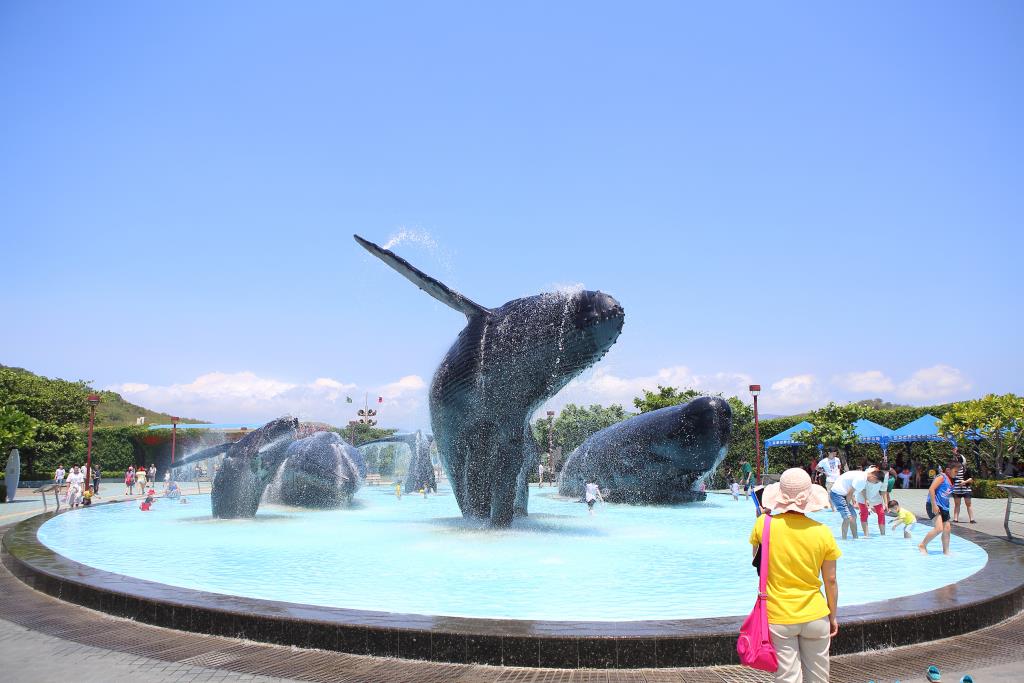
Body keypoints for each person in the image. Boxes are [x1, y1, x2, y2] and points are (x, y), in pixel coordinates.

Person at [749, 468, 840, 683]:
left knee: (787, 677)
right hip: (816, 613)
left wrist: (761, 519)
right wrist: (833, 615)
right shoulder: (822, 531)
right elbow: (831, 580)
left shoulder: (764, 524)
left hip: (778, 614)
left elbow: (757, 563)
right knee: (818, 677)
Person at [829, 466, 886, 540]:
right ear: (873, 477)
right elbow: (850, 493)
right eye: (876, 482)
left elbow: (851, 492)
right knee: (847, 518)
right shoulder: (861, 480)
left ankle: (855, 539)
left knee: (854, 517)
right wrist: (847, 506)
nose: (875, 484)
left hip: (843, 494)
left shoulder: (864, 476)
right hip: (838, 494)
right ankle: (844, 540)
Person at [920, 461, 958, 555]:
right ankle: (922, 545)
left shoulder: (952, 479)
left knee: (947, 528)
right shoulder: (941, 477)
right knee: (939, 528)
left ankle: (946, 551)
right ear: (948, 470)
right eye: (955, 471)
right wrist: (934, 505)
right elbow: (931, 489)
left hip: (944, 507)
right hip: (934, 505)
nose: (957, 474)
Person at [855, 467, 886, 537]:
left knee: (881, 513)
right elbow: (863, 489)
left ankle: (883, 534)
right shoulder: (865, 477)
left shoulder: (883, 477)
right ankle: (866, 535)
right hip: (863, 497)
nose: (877, 483)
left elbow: (884, 491)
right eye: (876, 481)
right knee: (864, 514)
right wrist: (866, 499)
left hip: (875, 497)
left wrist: (885, 503)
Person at [951, 452, 976, 524]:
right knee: (957, 504)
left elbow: (971, 479)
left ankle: (972, 519)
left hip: (966, 489)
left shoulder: (966, 469)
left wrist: (964, 482)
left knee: (968, 504)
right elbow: (952, 477)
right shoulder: (954, 469)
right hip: (956, 489)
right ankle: (956, 519)